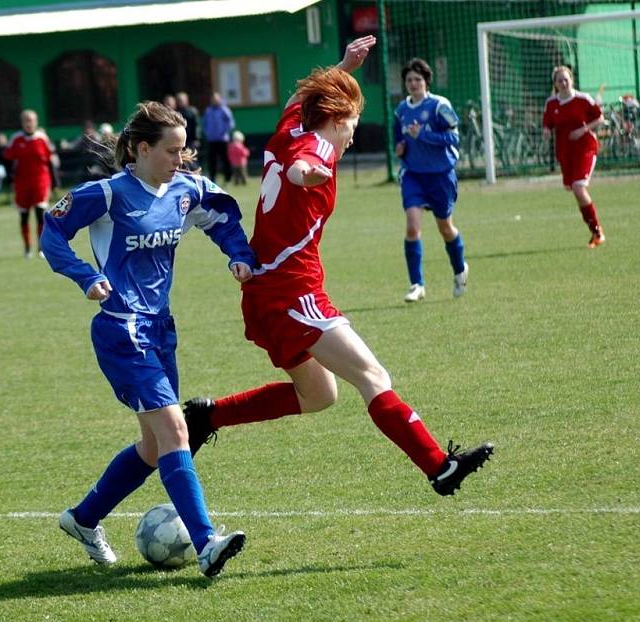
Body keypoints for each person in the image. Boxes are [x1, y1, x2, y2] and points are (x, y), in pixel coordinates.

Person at [183, 36, 493, 500]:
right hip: (294, 293)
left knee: (319, 396)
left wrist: (343, 68)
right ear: (334, 119)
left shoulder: (291, 127)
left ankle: (206, 417)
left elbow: (296, 102)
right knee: (374, 377)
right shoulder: (318, 151)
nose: (352, 135)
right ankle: (438, 466)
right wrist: (307, 174)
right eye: (351, 124)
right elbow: (302, 166)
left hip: (267, 293)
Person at [40, 100, 256, 578]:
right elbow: (52, 229)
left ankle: (83, 518)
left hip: (160, 330)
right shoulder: (108, 194)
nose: (180, 159)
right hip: (121, 329)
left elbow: (222, 216)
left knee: (156, 447)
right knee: (175, 430)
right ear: (140, 149)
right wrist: (83, 275)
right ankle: (206, 544)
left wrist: (237, 255)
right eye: (171, 150)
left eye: (183, 150)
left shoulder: (186, 190)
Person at [393, 58, 467, 303]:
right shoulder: (401, 110)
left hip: (440, 175)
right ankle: (417, 284)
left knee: (445, 228)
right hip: (413, 175)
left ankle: (459, 270)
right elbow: (397, 138)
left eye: (417, 79)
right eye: (409, 80)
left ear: (426, 81)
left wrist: (424, 134)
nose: (413, 84)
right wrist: (400, 147)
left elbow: (454, 138)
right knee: (412, 226)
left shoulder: (439, 106)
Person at [542, 66, 606, 249]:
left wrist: (583, 130)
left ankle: (598, 231)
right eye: (559, 80)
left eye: (566, 79)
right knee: (575, 191)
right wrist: (546, 131)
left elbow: (599, 118)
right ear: (555, 83)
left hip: (585, 147)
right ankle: (594, 231)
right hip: (565, 152)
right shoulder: (551, 103)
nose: (563, 83)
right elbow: (548, 123)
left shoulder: (583, 99)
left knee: (579, 188)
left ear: (572, 80)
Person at [4, 109, 55, 258]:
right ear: (22, 122)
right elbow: (7, 158)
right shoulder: (16, 139)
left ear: (36, 122)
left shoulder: (42, 139)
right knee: (24, 216)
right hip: (22, 183)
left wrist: (55, 180)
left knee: (40, 215)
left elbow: (50, 160)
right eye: (26, 120)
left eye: (31, 120)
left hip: (40, 181)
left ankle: (41, 248)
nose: (29, 123)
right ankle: (27, 248)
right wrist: (9, 177)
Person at [202, 91, 235, 183]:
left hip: (222, 139)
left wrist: (224, 132)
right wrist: (207, 132)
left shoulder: (224, 109)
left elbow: (230, 123)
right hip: (211, 139)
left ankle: (228, 177)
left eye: (216, 99)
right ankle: (213, 178)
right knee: (212, 160)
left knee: (225, 159)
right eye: (213, 99)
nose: (214, 101)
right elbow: (204, 123)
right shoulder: (208, 110)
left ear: (219, 99)